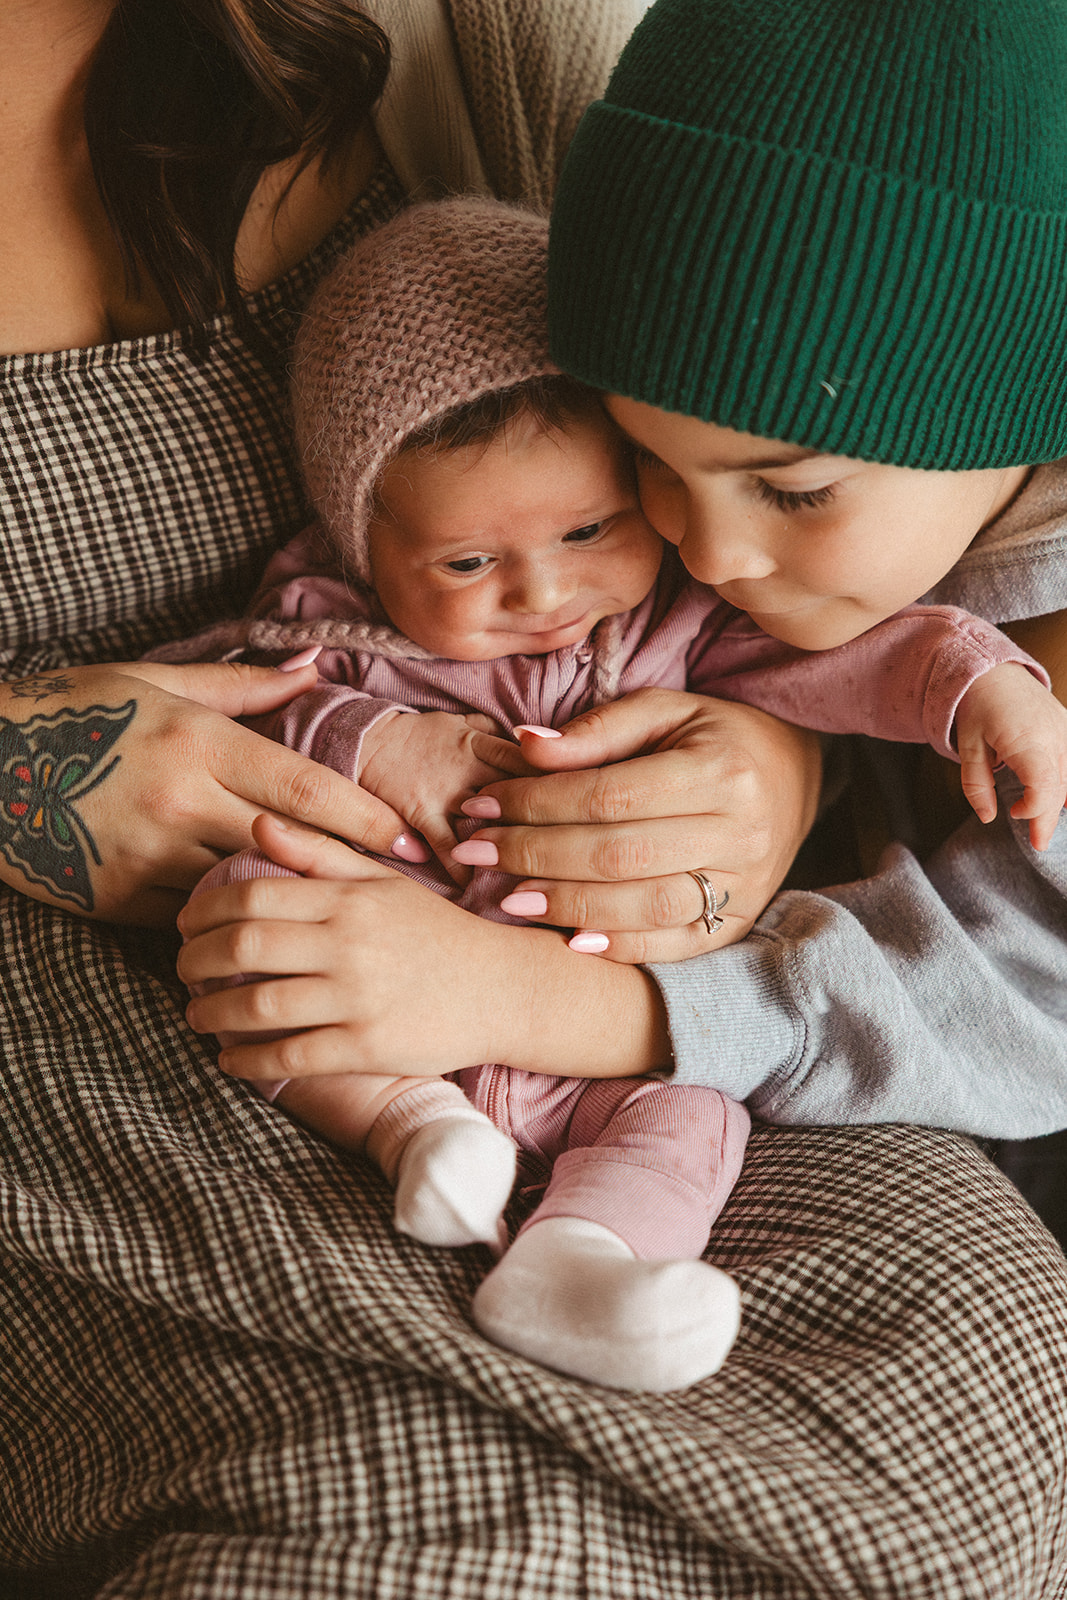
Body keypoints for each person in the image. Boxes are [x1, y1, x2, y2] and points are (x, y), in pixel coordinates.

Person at [4, 2, 1067, 1597]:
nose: (705, 545)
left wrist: (774, 757)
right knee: (439, 1522)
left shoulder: (475, 62)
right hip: (162, 1013)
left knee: (963, 1360)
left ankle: (585, 1239)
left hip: (667, 983)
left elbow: (810, 605)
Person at [185, 195, 1063, 1397]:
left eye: (591, 526)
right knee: (249, 920)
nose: (541, 591)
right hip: (377, 976)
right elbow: (239, 701)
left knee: (695, 1115)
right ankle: (409, 1128)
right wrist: (379, 741)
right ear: (358, 542)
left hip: (608, 1000)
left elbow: (860, 659)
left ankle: (582, 1263)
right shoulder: (338, 625)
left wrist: (977, 689)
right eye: (465, 562)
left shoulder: (679, 623)